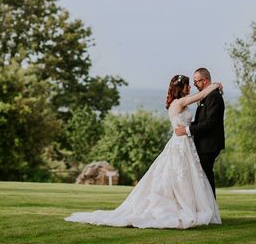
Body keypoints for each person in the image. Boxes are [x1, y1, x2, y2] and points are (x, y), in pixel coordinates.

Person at [64, 75, 222, 229]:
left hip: (186, 144)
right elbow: (200, 95)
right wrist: (215, 86)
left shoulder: (180, 103)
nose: (190, 87)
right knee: (179, 176)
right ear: (180, 88)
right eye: (188, 85)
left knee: (187, 177)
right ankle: (182, 207)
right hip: (180, 144)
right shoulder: (179, 102)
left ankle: (191, 206)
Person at [174, 67, 225, 197]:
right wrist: (186, 126)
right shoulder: (207, 95)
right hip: (203, 144)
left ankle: (211, 210)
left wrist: (186, 130)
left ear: (205, 80)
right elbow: (199, 121)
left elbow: (209, 123)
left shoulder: (214, 96)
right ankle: (208, 209)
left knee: (206, 178)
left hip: (209, 145)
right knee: (203, 178)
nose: (194, 84)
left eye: (196, 81)